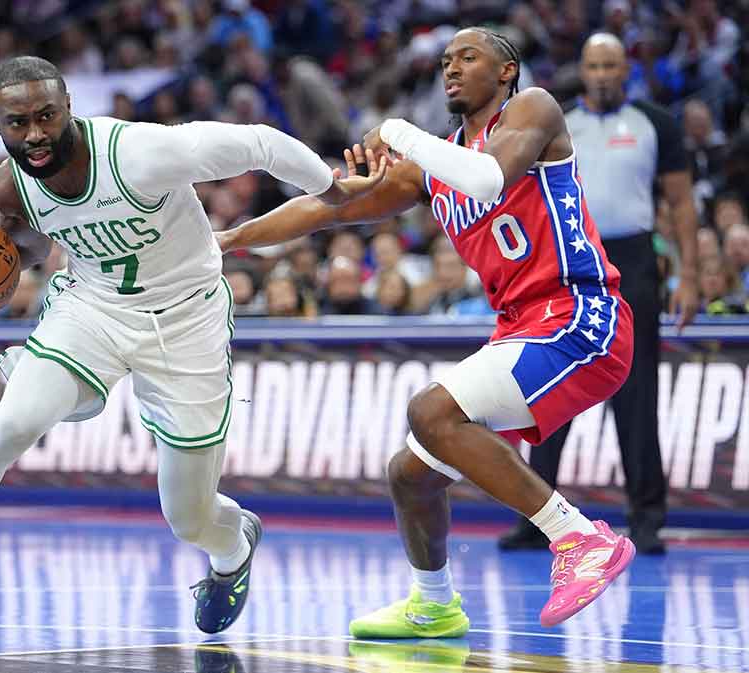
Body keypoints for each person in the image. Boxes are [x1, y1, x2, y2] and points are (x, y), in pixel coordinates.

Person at [0, 55, 379, 648]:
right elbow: (26, 252)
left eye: (47, 116)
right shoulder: (10, 184)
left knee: (189, 516)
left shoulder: (140, 154)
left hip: (186, 322)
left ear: (69, 107)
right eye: (18, 123)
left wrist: (330, 189)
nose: (36, 133)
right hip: (92, 308)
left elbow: (260, 144)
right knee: (11, 424)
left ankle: (232, 549)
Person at [217, 28, 638, 634]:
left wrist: (397, 132)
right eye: (445, 61)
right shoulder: (431, 168)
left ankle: (579, 539)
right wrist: (235, 237)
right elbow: (329, 205)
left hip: (582, 315)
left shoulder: (533, 109)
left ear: (506, 71)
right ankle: (433, 603)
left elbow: (489, 179)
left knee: (432, 413)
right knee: (409, 474)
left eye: (469, 58)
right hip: (523, 326)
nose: (452, 69)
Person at [498, 33, 699, 555]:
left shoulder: (656, 123)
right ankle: (536, 518)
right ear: (582, 70)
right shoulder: (556, 122)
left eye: (612, 65)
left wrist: (692, 277)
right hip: (569, 260)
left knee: (637, 398)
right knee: (547, 393)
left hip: (633, 261)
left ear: (626, 68)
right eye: (594, 66)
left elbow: (680, 204)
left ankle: (647, 517)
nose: (604, 75)